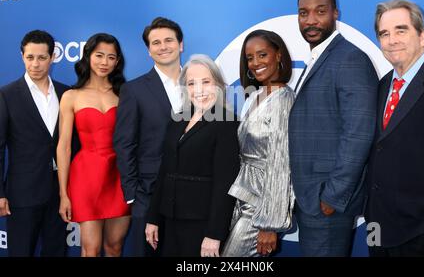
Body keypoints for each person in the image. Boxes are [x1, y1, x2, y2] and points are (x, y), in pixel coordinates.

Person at [288, 0, 378, 256]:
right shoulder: (320, 58)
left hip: (326, 203)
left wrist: (332, 196)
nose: (311, 20)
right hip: (310, 199)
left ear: (335, 13)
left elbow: (359, 132)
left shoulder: (350, 58)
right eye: (304, 13)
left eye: (320, 11)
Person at [365, 0, 424, 257]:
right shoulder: (382, 86)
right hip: (379, 232)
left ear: (422, 36)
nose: (392, 40)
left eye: (401, 30)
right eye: (384, 33)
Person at [145, 54, 240, 257]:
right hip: (168, 221)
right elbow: (164, 171)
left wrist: (214, 234)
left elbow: (225, 184)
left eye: (206, 82)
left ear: (218, 85)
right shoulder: (177, 120)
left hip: (202, 226)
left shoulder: (227, 123)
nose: (199, 90)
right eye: (191, 83)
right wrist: (153, 217)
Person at [113, 17, 184, 256]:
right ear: (149, 50)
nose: (163, 46)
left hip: (193, 192)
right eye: (156, 42)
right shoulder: (133, 90)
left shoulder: (201, 85)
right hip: (148, 192)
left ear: (181, 44)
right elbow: (124, 144)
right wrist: (132, 195)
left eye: (168, 40)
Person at [220, 30, 295, 257]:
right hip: (242, 197)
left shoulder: (284, 101)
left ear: (279, 55)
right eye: (250, 58)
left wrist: (269, 224)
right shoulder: (254, 96)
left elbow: (281, 165)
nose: (255, 63)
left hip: (261, 207)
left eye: (262, 55)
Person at [57, 33, 130, 257]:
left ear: (117, 62)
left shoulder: (125, 94)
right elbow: (64, 146)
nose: (104, 62)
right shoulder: (71, 96)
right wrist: (63, 194)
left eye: (111, 57)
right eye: (99, 55)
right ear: (88, 56)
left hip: (118, 175)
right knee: (90, 249)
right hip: (86, 176)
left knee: (115, 247)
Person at [0, 30, 69, 256]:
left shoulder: (66, 93)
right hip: (22, 193)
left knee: (56, 251)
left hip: (59, 192)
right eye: (30, 57)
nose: (35, 64)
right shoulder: (7, 95)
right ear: (22, 56)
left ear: (52, 57)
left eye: (41, 57)